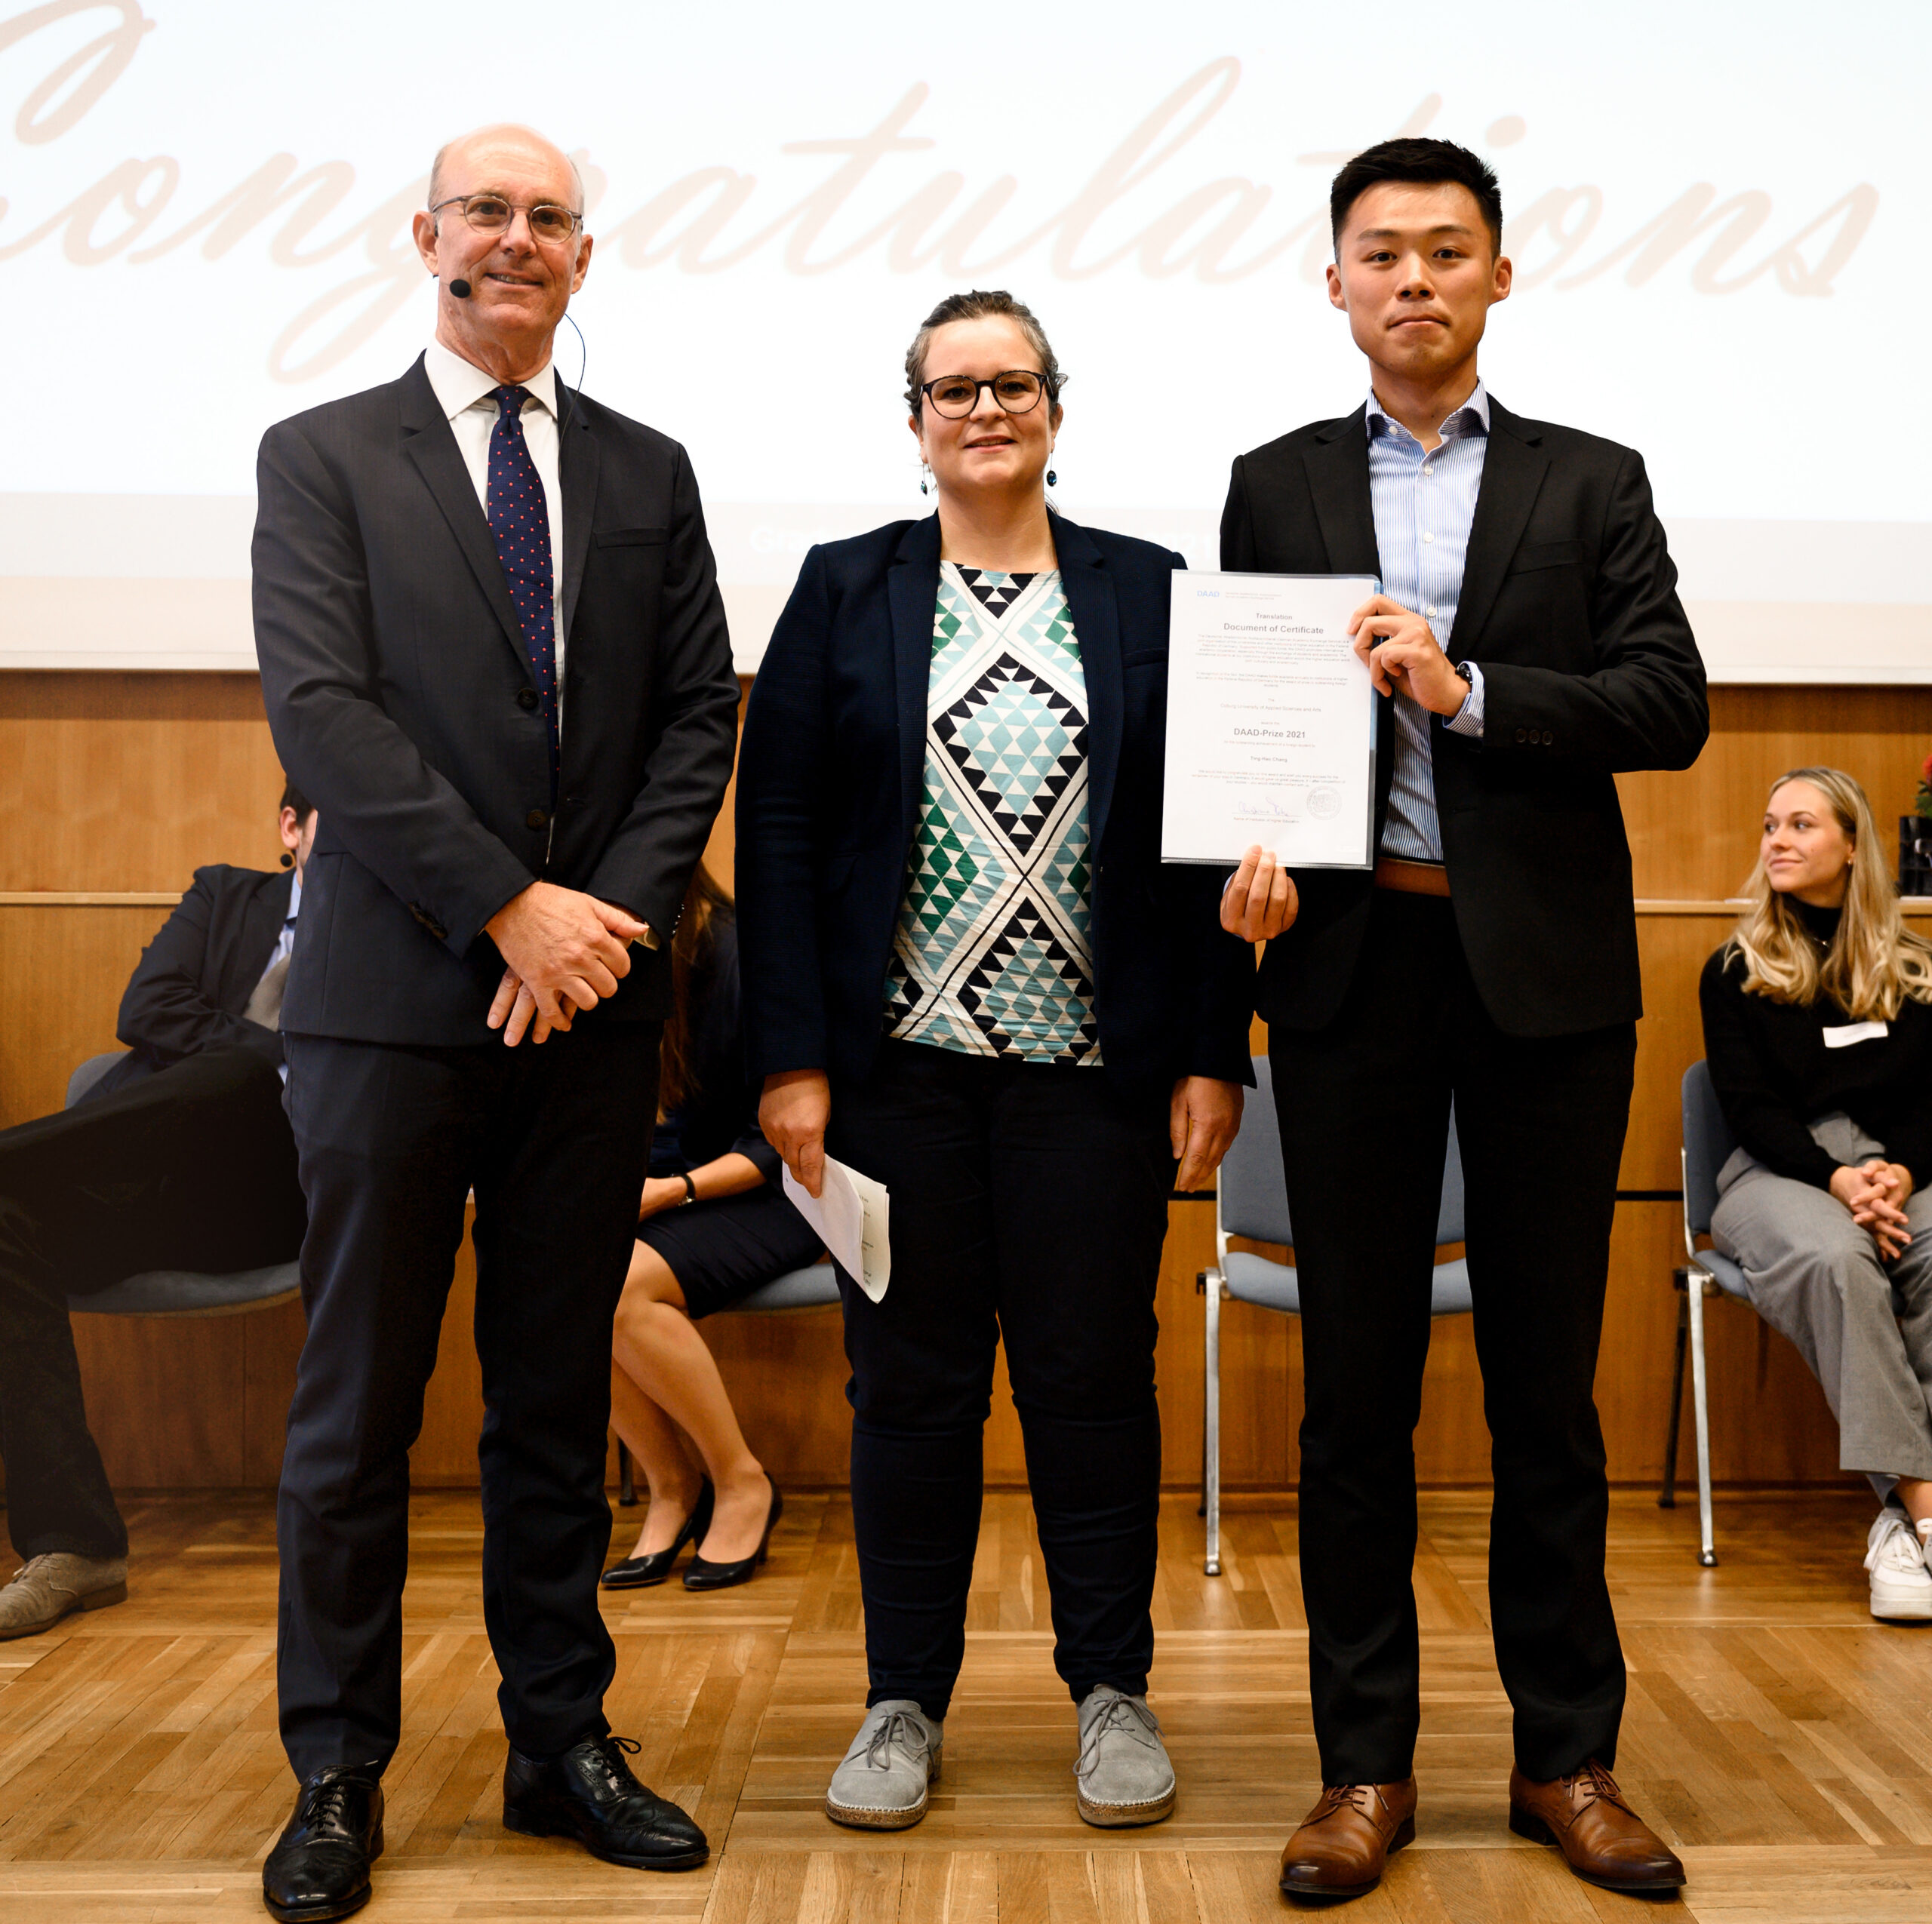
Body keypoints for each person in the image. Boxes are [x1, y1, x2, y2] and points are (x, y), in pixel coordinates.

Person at [252, 123, 738, 1922]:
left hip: (591, 1017)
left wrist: (592, 928)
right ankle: (334, 1766)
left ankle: (561, 1743)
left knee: (552, 1405)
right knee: (353, 1409)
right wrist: (505, 910)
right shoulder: (319, 459)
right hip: (389, 1010)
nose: (517, 239)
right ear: (425, 236)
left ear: (583, 258)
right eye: (488, 212)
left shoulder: (647, 467)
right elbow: (326, 716)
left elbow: (697, 711)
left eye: (549, 218)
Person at [1219, 139, 1709, 1901]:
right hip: (1346, 981)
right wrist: (1243, 863)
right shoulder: (1268, 484)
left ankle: (1564, 1757)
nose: (1411, 279)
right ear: (1332, 282)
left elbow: (1668, 704)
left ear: (1498, 276)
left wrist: (1467, 689)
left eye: (1444, 252)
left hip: (1544, 990)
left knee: (1542, 1396)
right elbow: (1244, 730)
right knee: (1347, 1394)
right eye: (1379, 254)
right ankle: (1361, 1770)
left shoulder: (1591, 482)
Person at [737, 289, 1255, 1834]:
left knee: (1093, 1389)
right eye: (953, 388)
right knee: (909, 1396)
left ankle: (1112, 1693)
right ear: (912, 421)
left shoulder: (1149, 589)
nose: (984, 409)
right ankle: (903, 1701)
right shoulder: (844, 589)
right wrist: (789, 1066)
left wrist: (1213, 1046)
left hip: (1095, 1078)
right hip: (892, 1079)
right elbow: (775, 839)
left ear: (1053, 407)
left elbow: (1210, 834)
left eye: (1011, 383)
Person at [0, 786, 313, 1639]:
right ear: (292, 828)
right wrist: (290, 1049)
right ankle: (77, 1545)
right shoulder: (222, 894)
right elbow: (147, 1009)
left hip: (264, 1195)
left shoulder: (407, 928)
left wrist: (262, 1061)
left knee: (239, 1076)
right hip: (136, 1175)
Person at [1701, 769, 1932, 1619]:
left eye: (1800, 824)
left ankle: (1900, 1535)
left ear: (1850, 846)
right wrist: (1838, 1179)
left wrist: (1898, 1173)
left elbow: (1929, 1104)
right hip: (1775, 1175)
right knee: (1841, 1258)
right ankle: (1924, 1510)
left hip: (1896, 1170)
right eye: (1769, 825)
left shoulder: (1914, 970)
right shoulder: (1734, 969)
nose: (1777, 841)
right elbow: (1750, 1109)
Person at [603, 863, 819, 1593]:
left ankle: (740, 1480)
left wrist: (670, 1191)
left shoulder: (736, 955)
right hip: (673, 1190)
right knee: (555, 1277)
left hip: (776, 1190)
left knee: (616, 1284)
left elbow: (778, 1142)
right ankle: (673, 1487)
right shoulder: (618, 954)